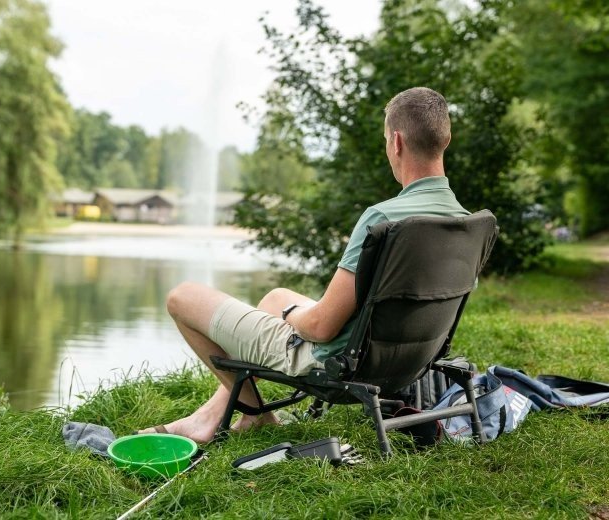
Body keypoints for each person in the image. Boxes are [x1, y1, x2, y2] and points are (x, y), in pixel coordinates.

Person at [137, 87, 470, 443]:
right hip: (408, 361)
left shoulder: (384, 220)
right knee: (276, 295)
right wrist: (287, 307)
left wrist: (292, 314)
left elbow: (321, 328)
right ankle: (224, 415)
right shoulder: (467, 222)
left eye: (386, 139)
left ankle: (251, 417)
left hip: (338, 363)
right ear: (444, 140)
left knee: (183, 297)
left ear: (397, 142)